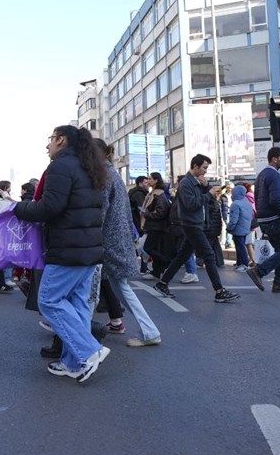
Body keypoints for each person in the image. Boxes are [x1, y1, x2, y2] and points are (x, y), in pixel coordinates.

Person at [14, 125, 110, 383]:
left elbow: (50, 207)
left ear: (61, 140)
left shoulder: (60, 166)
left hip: (68, 249)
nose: (47, 146)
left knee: (49, 301)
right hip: (88, 249)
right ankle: (73, 361)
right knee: (78, 305)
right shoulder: (89, 167)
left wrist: (18, 208)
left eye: (50, 140)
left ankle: (89, 351)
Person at [94, 139, 161, 347]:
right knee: (118, 287)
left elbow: (101, 211)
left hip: (109, 240)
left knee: (97, 287)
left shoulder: (104, 175)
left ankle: (80, 336)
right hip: (117, 239)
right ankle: (149, 331)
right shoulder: (111, 173)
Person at [153, 155, 240, 304]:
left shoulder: (197, 182)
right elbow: (191, 204)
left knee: (182, 256)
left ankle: (162, 283)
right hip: (191, 225)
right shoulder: (186, 183)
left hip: (197, 224)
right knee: (209, 254)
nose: (205, 171)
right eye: (204, 168)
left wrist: (206, 188)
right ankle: (219, 291)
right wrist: (207, 194)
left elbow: (212, 201)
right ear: (195, 166)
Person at [246, 147, 280, 293]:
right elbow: (275, 200)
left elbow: (257, 197)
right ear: (274, 159)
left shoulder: (261, 175)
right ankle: (259, 271)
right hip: (274, 218)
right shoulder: (275, 176)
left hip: (264, 219)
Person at [140, 174, 171, 279]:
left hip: (156, 226)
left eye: (150, 179)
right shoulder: (153, 193)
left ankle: (166, 262)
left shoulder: (159, 194)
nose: (148, 180)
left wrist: (146, 213)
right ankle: (156, 271)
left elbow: (161, 212)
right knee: (153, 248)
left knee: (147, 248)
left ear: (156, 181)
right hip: (152, 226)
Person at [226, 183, 254, 272]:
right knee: (242, 246)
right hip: (246, 227)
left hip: (238, 229)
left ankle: (244, 264)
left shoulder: (235, 204)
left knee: (240, 247)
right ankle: (239, 263)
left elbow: (234, 219)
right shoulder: (247, 203)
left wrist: (229, 227)